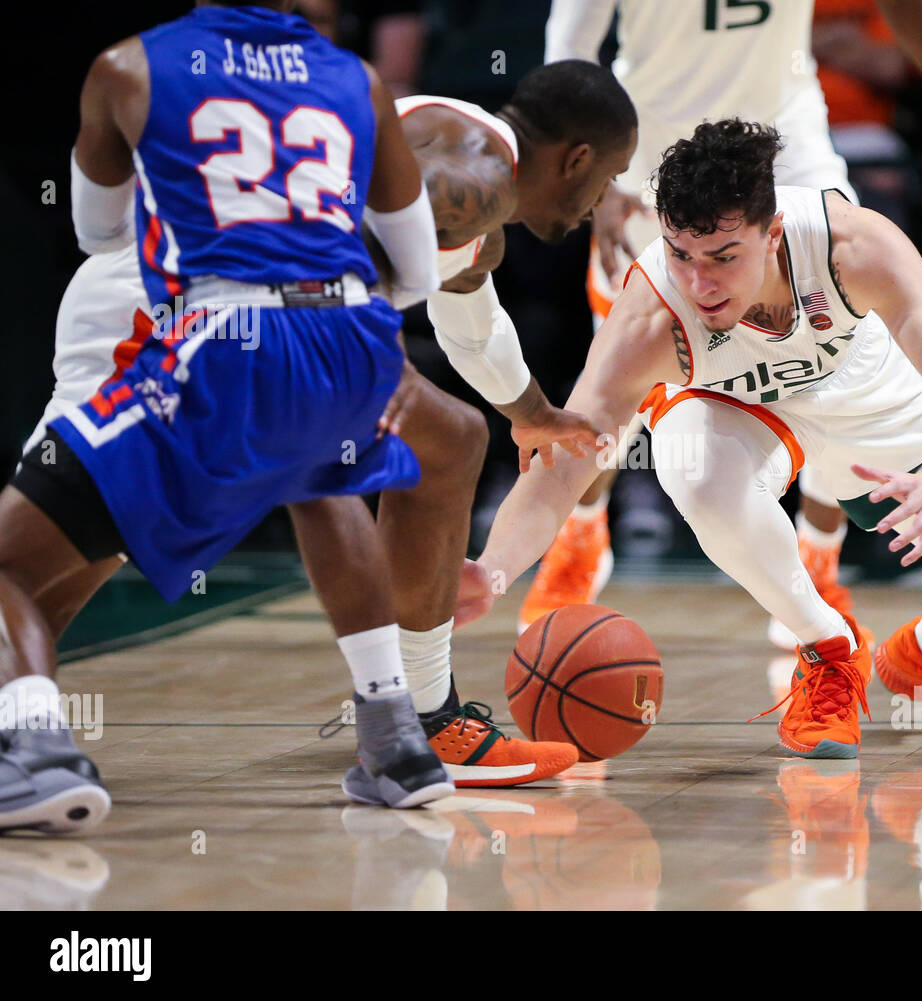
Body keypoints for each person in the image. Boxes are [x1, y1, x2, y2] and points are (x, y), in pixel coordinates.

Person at [16, 59, 639, 789]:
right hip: (164, 309)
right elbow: (315, 255)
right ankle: (424, 719)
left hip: (214, 317)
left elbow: (474, 330)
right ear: (577, 160)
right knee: (448, 440)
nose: (600, 203)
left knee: (64, 559)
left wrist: (534, 415)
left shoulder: (478, 207)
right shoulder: (471, 172)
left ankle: (416, 715)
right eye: (607, 184)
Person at [458, 119, 922, 760]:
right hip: (734, 404)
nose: (701, 284)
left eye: (725, 257)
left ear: (773, 233)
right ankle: (827, 648)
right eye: (682, 255)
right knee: (695, 471)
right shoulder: (650, 316)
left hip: (858, 387)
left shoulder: (850, 246)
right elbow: (564, 462)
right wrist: (493, 569)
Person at [0, 0, 452, 832]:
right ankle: (398, 744)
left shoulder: (128, 66)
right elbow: (418, 267)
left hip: (223, 332)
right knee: (318, 476)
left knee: (8, 558)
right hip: (357, 335)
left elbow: (99, 234)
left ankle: (34, 753)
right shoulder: (356, 78)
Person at [530, 0, 922, 653]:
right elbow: (570, 42)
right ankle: (582, 532)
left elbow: (908, 9)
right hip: (648, 159)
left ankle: (819, 554)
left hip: (786, 147)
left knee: (838, 355)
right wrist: (593, 176)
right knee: (620, 374)